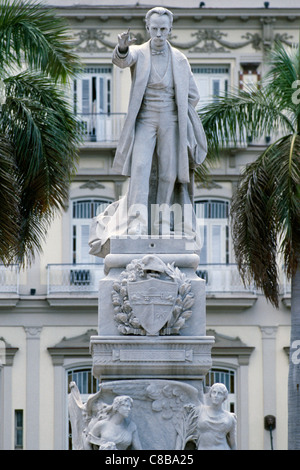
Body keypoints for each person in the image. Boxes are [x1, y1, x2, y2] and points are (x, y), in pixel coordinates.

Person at [88, 7, 207, 257]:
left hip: (171, 120)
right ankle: (137, 222)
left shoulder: (180, 60)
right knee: (140, 168)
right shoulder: (139, 53)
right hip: (145, 119)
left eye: (163, 29)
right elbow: (122, 60)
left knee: (168, 172)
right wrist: (121, 47)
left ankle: (163, 221)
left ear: (170, 29)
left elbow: (193, 94)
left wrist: (181, 111)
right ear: (148, 28)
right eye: (154, 29)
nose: (159, 34)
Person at [176, 383, 237, 450]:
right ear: (210, 394)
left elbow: (233, 443)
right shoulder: (199, 410)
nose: (216, 396)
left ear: (224, 397)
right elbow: (183, 429)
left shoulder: (229, 417)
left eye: (220, 393)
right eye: (214, 392)